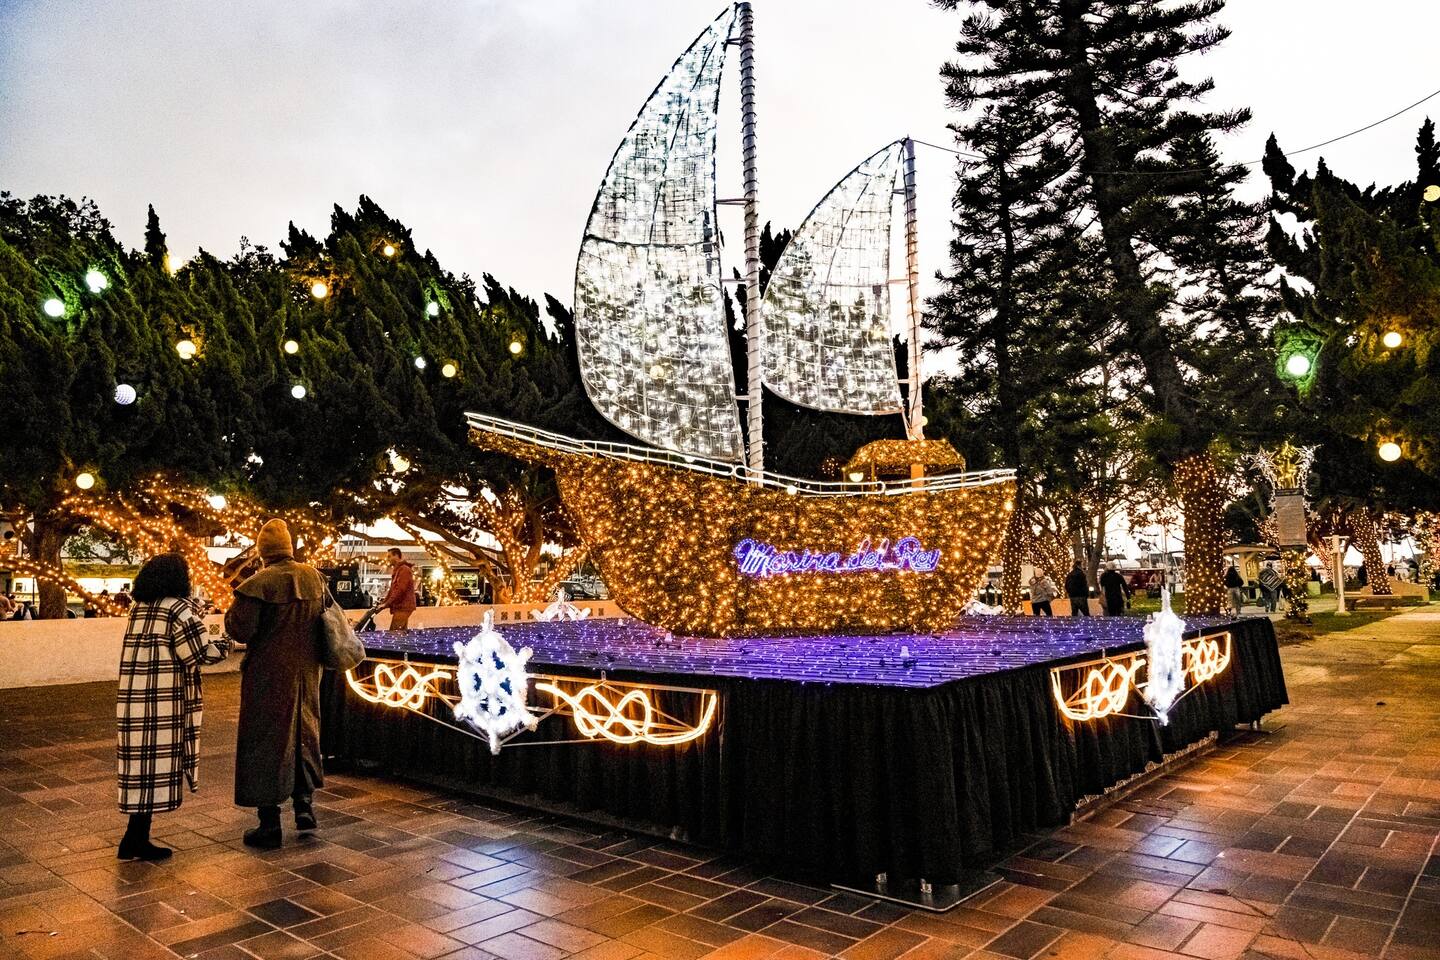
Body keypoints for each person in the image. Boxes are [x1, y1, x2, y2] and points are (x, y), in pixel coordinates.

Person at [116, 554, 229, 861]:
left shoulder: (138, 608)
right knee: (156, 768)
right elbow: (198, 653)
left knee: (141, 770)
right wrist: (226, 644)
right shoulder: (177, 609)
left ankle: (134, 837)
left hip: (134, 700)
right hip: (164, 702)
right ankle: (135, 839)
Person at [225, 519, 326, 849]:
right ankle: (304, 807)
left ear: (262, 551)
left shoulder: (258, 584)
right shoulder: (314, 578)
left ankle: (269, 823)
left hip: (267, 676)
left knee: (265, 741)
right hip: (308, 674)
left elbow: (240, 630)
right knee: (304, 737)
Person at [376, 547, 417, 631]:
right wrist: (384, 603)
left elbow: (400, 590)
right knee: (400, 631)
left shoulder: (404, 570)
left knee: (394, 631)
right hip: (401, 606)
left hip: (403, 606)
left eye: (389, 556)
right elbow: (392, 590)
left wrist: (386, 603)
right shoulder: (398, 570)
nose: (388, 559)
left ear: (396, 556)